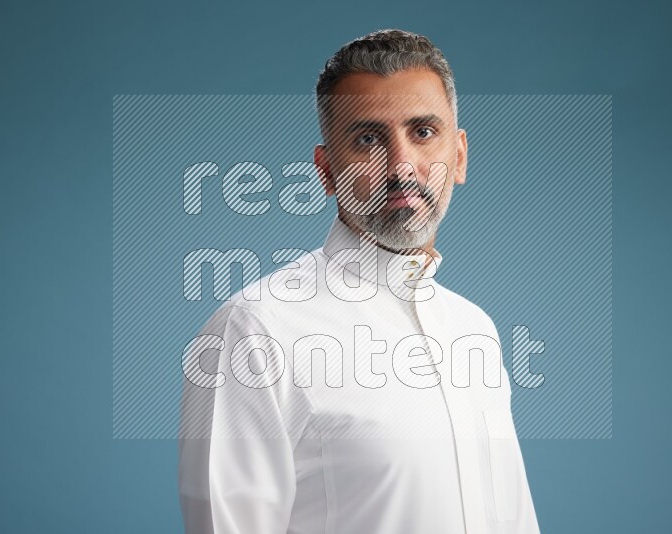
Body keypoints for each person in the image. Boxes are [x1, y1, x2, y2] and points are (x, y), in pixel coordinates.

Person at [178, 29, 540, 533]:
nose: (401, 167)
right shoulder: (254, 332)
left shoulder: (473, 328)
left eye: (423, 132)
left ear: (459, 156)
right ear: (326, 171)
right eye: (368, 139)